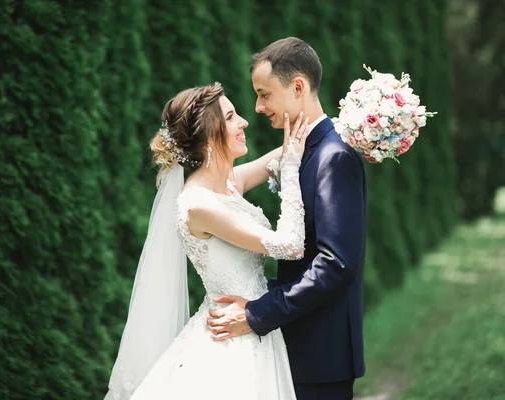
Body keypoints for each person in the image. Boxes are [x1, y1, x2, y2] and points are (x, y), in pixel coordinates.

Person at [104, 81, 311, 400]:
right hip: (230, 343)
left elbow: (284, 154)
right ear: (209, 135)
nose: (243, 122)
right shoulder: (199, 206)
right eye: (231, 117)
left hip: (252, 327)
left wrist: (351, 122)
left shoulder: (228, 185)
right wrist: (294, 169)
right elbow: (290, 245)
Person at [206, 37, 368, 400]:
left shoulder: (333, 158)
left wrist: (257, 312)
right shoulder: (300, 150)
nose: (258, 107)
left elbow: (335, 265)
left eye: (265, 94)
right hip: (293, 345)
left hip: (320, 355)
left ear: (298, 87)